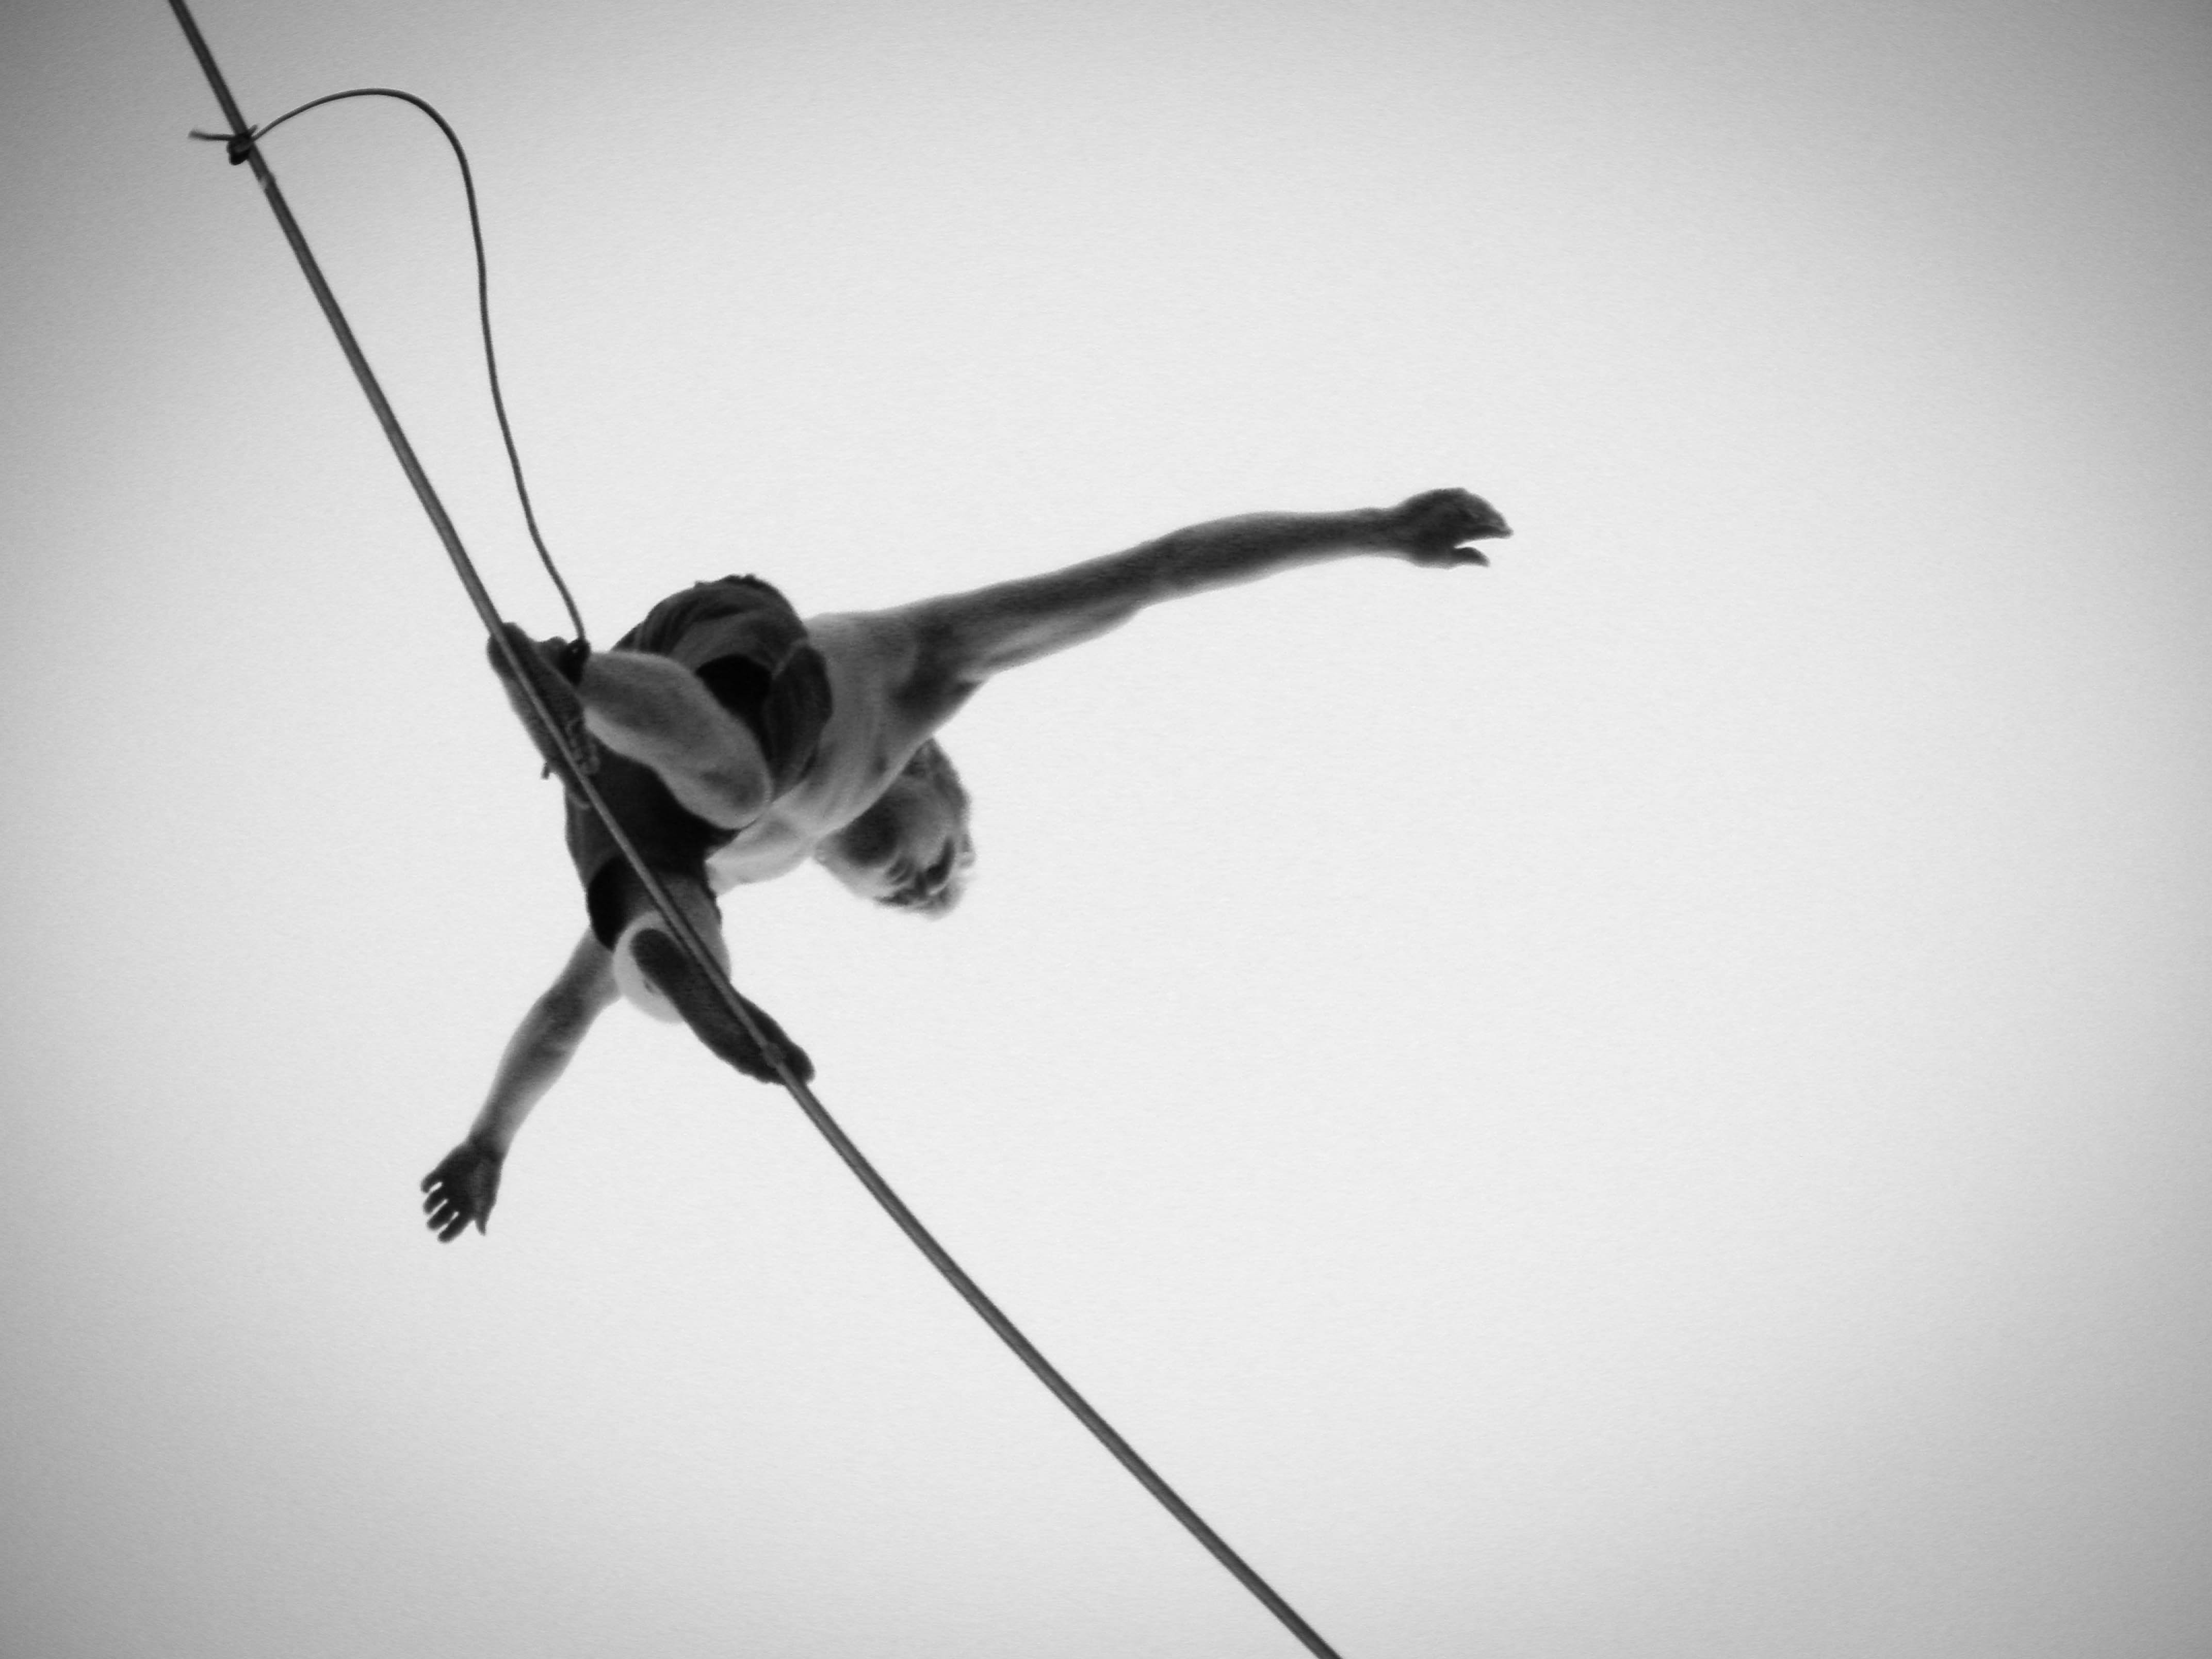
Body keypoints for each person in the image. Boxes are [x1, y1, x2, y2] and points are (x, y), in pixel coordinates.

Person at [421, 487, 1512, 1240]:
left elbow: (562, 1018)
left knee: (651, 953)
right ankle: (571, 679)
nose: (927, 887)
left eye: (911, 902)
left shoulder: (764, 868)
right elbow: (1157, 572)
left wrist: (488, 1141)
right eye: (950, 864)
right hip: (724, 649)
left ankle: (664, 924)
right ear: (936, 781)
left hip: (622, 793)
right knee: (744, 787)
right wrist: (1376, 530)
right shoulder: (919, 670)